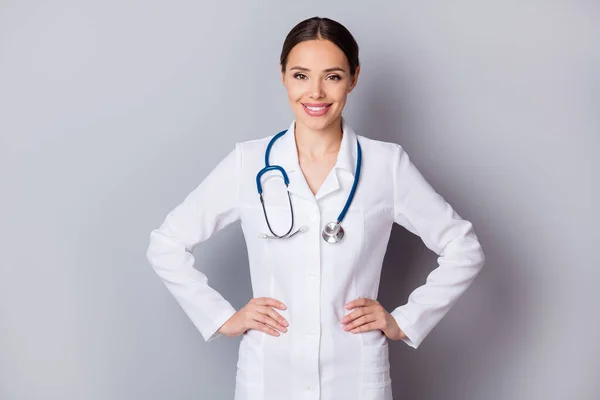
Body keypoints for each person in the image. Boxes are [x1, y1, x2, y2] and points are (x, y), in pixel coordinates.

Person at [146, 16, 485, 400]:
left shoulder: (384, 165)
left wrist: (404, 321)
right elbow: (167, 243)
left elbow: (463, 247)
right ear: (283, 76)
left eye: (333, 76)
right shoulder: (250, 162)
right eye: (302, 75)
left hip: (355, 375)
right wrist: (223, 317)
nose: (316, 93)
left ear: (354, 78)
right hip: (268, 376)